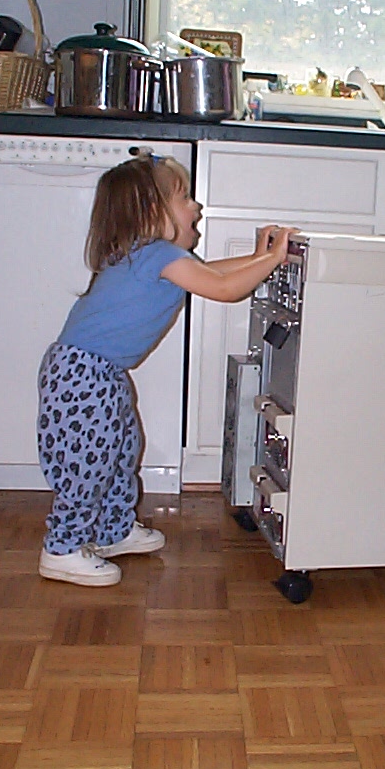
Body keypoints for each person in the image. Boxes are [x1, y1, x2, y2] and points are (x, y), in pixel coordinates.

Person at [36, 154, 294, 586]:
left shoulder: (153, 257)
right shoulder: (156, 255)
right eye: (184, 197)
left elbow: (209, 273)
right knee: (89, 462)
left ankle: (112, 530)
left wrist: (259, 257)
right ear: (152, 212)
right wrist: (273, 259)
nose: (196, 206)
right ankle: (61, 549)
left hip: (96, 371)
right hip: (83, 373)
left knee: (120, 450)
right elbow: (223, 288)